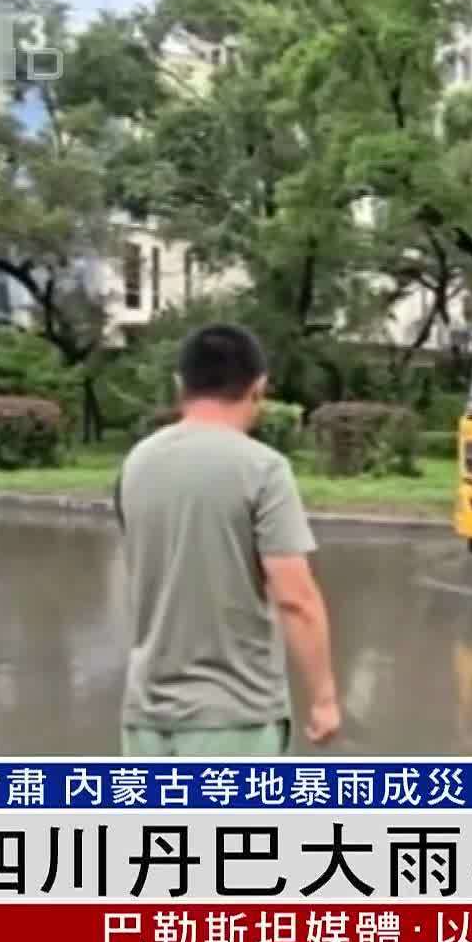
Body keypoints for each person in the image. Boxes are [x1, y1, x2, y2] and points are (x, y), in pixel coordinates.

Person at [113, 324, 341, 756]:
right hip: (235, 720)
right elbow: (295, 599)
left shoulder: (135, 464)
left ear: (180, 385)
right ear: (259, 388)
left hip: (144, 719)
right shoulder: (263, 469)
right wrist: (324, 700)